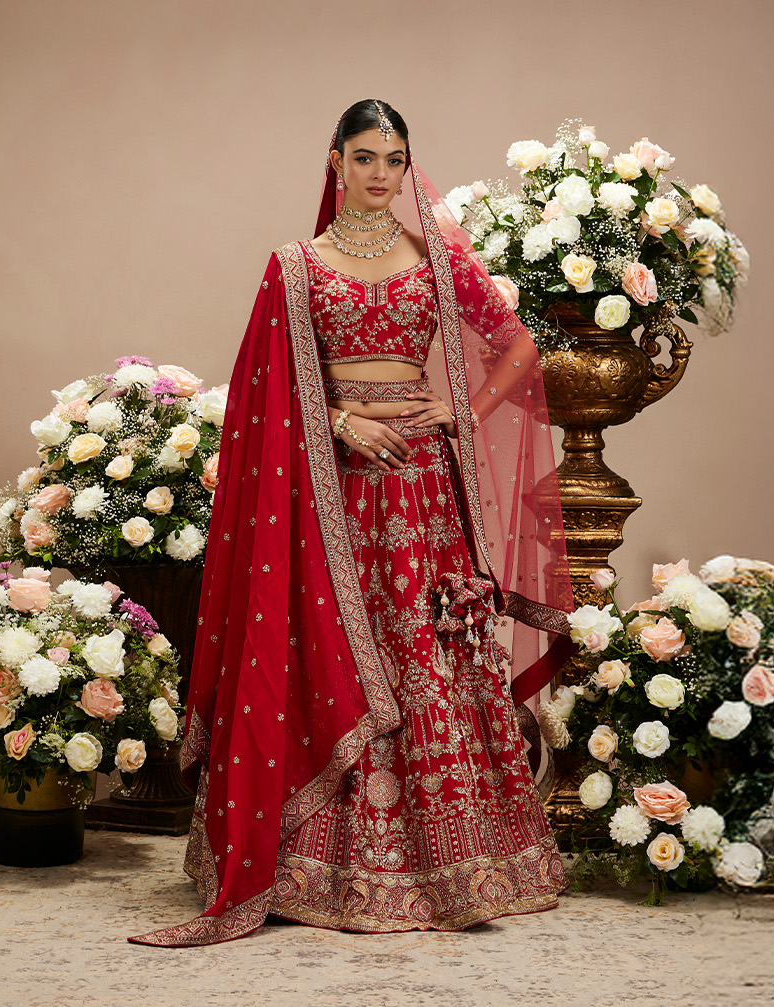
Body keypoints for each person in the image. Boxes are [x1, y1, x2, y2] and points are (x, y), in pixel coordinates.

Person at [130, 99, 575, 947]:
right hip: (330, 499)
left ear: (409, 167)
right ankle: (317, 868)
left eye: (396, 159)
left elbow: (519, 347)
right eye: (365, 157)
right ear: (333, 162)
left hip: (423, 499)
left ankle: (459, 869)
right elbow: (263, 396)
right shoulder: (296, 267)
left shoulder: (439, 261)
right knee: (336, 651)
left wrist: (460, 411)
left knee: (428, 655)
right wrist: (339, 421)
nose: (381, 174)